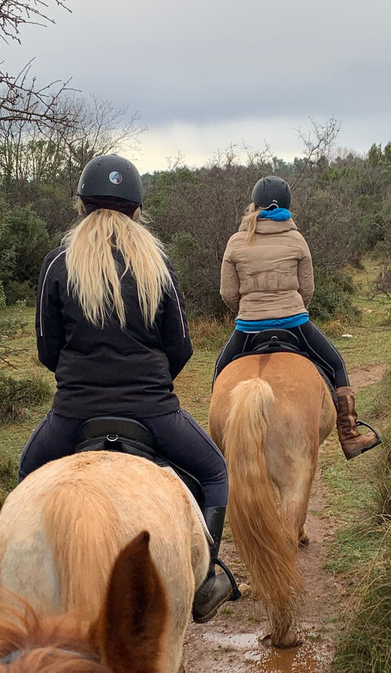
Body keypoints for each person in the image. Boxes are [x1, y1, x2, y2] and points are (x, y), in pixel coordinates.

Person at [19, 154, 239, 623]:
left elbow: (46, 349)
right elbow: (180, 347)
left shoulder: (57, 263)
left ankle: (21, 585)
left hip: (73, 414)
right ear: (137, 209)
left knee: (26, 475)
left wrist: (81, 382)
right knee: (215, 472)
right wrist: (150, 386)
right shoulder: (156, 263)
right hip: (152, 412)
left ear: (82, 204)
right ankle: (205, 582)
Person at [214, 175, 380, 460]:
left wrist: (249, 312)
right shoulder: (296, 239)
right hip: (294, 323)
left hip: (248, 328)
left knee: (220, 373)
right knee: (336, 364)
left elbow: (228, 293)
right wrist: (291, 308)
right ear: (287, 206)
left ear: (254, 206)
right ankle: (350, 434)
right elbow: (307, 290)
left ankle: (218, 442)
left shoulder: (236, 242)